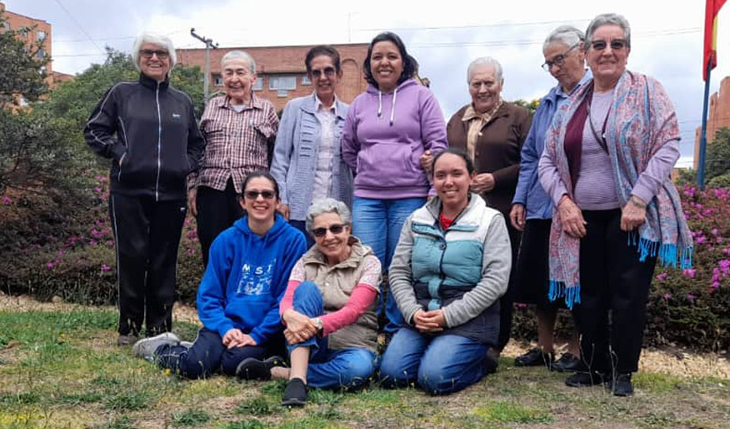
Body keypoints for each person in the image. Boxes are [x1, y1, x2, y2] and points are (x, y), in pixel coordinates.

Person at [538, 13, 693, 397]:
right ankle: (592, 364)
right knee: (588, 293)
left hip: (632, 216)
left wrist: (639, 199)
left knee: (627, 294)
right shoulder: (572, 102)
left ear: (627, 51)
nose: (608, 51)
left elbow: (668, 142)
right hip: (581, 218)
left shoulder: (647, 91)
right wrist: (563, 203)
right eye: (599, 45)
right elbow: (546, 160)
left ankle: (621, 370)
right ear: (586, 53)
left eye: (617, 44)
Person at [84, 32, 205, 346]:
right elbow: (94, 130)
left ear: (171, 60)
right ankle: (129, 327)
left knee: (164, 260)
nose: (155, 58)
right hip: (128, 192)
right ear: (139, 58)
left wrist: (184, 165)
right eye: (148, 52)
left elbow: (198, 145)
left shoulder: (182, 100)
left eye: (162, 53)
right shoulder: (122, 94)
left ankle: (160, 327)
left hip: (171, 194)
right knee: (132, 257)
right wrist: (121, 155)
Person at [132, 173, 307, 378]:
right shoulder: (226, 240)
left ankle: (219, 352)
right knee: (195, 366)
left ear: (277, 202)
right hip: (227, 324)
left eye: (267, 194)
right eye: (252, 194)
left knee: (235, 363)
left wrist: (257, 335)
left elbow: (286, 298)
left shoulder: (294, 240)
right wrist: (225, 328)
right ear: (242, 202)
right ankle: (162, 349)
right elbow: (209, 296)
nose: (260, 200)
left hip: (267, 329)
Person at [379, 148, 511, 395]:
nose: (448, 182)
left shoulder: (490, 220)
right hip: (422, 315)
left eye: (456, 174)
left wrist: (448, 316)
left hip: (469, 318)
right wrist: (412, 312)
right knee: (392, 376)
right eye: (440, 175)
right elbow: (398, 272)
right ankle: (437, 351)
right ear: (433, 180)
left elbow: (496, 281)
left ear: (472, 178)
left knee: (434, 379)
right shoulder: (416, 219)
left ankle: (483, 361)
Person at [342, 31, 448, 334]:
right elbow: (349, 147)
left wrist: (430, 188)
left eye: (391, 56)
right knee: (368, 265)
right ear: (369, 64)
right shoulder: (360, 104)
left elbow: (437, 144)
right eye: (377, 57)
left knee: (402, 266)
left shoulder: (422, 96)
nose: (384, 62)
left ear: (403, 62)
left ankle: (395, 330)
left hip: (410, 196)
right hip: (367, 199)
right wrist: (367, 168)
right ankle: (365, 330)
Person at [236, 199, 381, 406]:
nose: (329, 237)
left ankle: (281, 372)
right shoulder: (304, 262)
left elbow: (355, 309)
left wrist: (313, 325)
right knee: (306, 290)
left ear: (348, 229)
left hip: (352, 345)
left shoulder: (370, 263)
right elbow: (287, 300)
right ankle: (298, 381)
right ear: (313, 236)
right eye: (320, 232)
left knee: (356, 372)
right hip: (310, 346)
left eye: (336, 229)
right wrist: (288, 315)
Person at [510, 26, 590, 372]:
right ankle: (543, 347)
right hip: (543, 206)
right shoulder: (547, 102)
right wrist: (520, 200)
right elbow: (530, 156)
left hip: (580, 206)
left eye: (560, 59)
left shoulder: (596, 95)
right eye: (549, 64)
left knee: (578, 279)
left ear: (581, 51)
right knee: (542, 280)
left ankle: (576, 348)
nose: (556, 68)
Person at [446, 57, 531, 356]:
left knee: (499, 277)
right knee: (466, 275)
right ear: (468, 86)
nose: (482, 89)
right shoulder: (456, 120)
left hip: (503, 212)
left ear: (501, 84)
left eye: (488, 83)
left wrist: (497, 179)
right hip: (463, 214)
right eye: (476, 83)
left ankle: (497, 342)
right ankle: (467, 335)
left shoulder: (519, 117)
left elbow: (532, 163)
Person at [191, 51, 279, 267]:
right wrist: (192, 185)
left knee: (250, 250)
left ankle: (246, 299)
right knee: (213, 249)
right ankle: (214, 299)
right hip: (212, 189)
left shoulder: (266, 109)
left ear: (253, 78)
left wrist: (276, 193)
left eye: (240, 72)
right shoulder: (212, 106)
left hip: (251, 194)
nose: (234, 79)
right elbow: (197, 147)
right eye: (228, 73)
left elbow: (277, 153)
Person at [270, 46, 352, 246]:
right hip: (298, 208)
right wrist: (282, 199)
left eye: (328, 71)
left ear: (339, 74)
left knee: (334, 268)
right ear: (309, 76)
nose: (323, 77)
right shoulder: (295, 108)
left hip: (337, 210)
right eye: (316, 72)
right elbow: (280, 158)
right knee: (299, 266)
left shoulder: (351, 113)